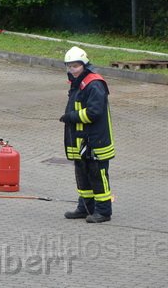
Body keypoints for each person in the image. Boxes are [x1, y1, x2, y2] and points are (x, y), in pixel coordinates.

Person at [60, 46, 115, 223]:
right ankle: (85, 208)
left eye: (75, 66)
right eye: (69, 66)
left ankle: (104, 211)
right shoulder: (77, 82)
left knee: (97, 175)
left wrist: (71, 117)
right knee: (82, 175)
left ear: (84, 64)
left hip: (95, 140)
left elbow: (94, 112)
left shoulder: (94, 83)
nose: (72, 70)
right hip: (82, 140)